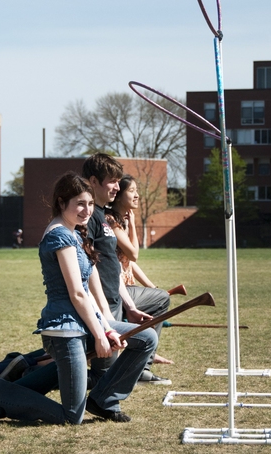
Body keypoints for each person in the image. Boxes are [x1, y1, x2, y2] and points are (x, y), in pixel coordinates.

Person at [0, 172, 157, 424]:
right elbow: (77, 293)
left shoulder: (75, 233)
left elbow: (88, 291)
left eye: (90, 204)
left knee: (146, 336)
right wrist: (101, 335)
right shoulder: (60, 235)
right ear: (61, 203)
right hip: (65, 328)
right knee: (71, 416)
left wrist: (106, 327)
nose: (87, 210)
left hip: (83, 322)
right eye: (80, 203)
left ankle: (103, 400)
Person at [82, 154, 171, 385]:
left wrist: (130, 306)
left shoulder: (102, 216)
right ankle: (24, 370)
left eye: (117, 181)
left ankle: (141, 368)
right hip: (103, 304)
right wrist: (104, 311)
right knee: (101, 374)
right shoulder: (91, 218)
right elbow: (89, 269)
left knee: (104, 371)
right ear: (93, 181)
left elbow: (115, 267)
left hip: (115, 298)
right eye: (112, 181)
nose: (116, 187)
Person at [106, 174, 173, 366]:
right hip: (118, 289)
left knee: (158, 297)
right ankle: (145, 360)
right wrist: (134, 226)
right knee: (160, 300)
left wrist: (152, 286)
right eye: (132, 191)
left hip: (127, 286)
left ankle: (148, 353)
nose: (137, 196)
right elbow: (134, 254)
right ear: (118, 196)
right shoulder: (111, 221)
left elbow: (130, 263)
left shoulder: (121, 221)